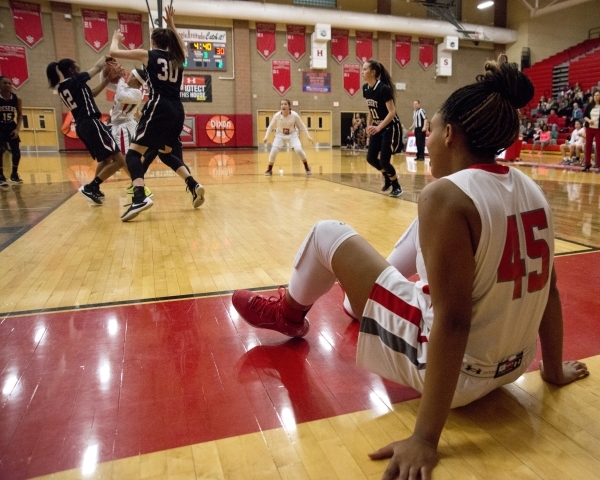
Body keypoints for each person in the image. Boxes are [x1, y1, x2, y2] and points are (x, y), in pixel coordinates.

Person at [230, 56, 589, 479]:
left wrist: (424, 438)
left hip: (456, 376)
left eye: (432, 129)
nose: (427, 138)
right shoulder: (532, 189)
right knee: (429, 229)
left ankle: (288, 313)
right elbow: (550, 290)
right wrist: (551, 370)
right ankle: (357, 303)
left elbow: (454, 321)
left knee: (328, 232)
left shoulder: (446, 197)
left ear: (450, 134)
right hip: (516, 364)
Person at [109, 5, 205, 221]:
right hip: (177, 109)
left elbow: (113, 52)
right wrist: (171, 23)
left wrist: (116, 38)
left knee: (133, 154)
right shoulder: (178, 58)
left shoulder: (147, 54)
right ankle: (193, 184)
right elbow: (182, 46)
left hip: (159, 105)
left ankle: (140, 197)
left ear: (153, 42)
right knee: (165, 153)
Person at [46, 57, 127, 204]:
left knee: (106, 159)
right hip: (90, 123)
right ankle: (91, 186)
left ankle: (94, 188)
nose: (79, 70)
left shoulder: (63, 87)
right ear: (71, 70)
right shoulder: (75, 81)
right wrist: (107, 57)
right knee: (119, 161)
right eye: (77, 68)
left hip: (82, 126)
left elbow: (93, 93)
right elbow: (97, 67)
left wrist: (107, 80)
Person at [362, 60, 404, 197]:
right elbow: (371, 109)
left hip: (389, 127)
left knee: (384, 160)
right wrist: (369, 125)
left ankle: (396, 185)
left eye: (364, 70)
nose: (362, 72)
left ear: (373, 72)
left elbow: (392, 112)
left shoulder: (383, 88)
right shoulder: (366, 88)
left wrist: (378, 127)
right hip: (377, 126)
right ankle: (387, 177)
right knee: (371, 158)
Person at [263, 99, 313, 175]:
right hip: (280, 134)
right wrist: (266, 136)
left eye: (285, 104)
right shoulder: (277, 115)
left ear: (289, 106)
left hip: (292, 134)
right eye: (282, 104)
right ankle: (269, 170)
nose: (283, 105)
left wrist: (308, 136)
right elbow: (270, 126)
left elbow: (302, 125)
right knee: (273, 151)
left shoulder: (294, 115)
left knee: (299, 149)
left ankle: (306, 167)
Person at [0, 76, 23, 187]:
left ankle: (14, 174)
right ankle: (1, 176)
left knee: (16, 151)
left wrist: (17, 129)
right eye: (5, 83)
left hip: (10, 126)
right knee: (0, 151)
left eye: (9, 83)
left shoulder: (16, 98)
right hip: (0, 126)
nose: (8, 85)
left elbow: (19, 115)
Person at [582, 90, 600, 171]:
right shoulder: (589, 105)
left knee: (599, 146)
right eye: (595, 95)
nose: (596, 97)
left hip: (598, 129)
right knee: (588, 146)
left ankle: (599, 164)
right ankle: (587, 164)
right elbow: (584, 116)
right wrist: (589, 121)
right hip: (589, 128)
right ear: (593, 96)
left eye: (598, 95)